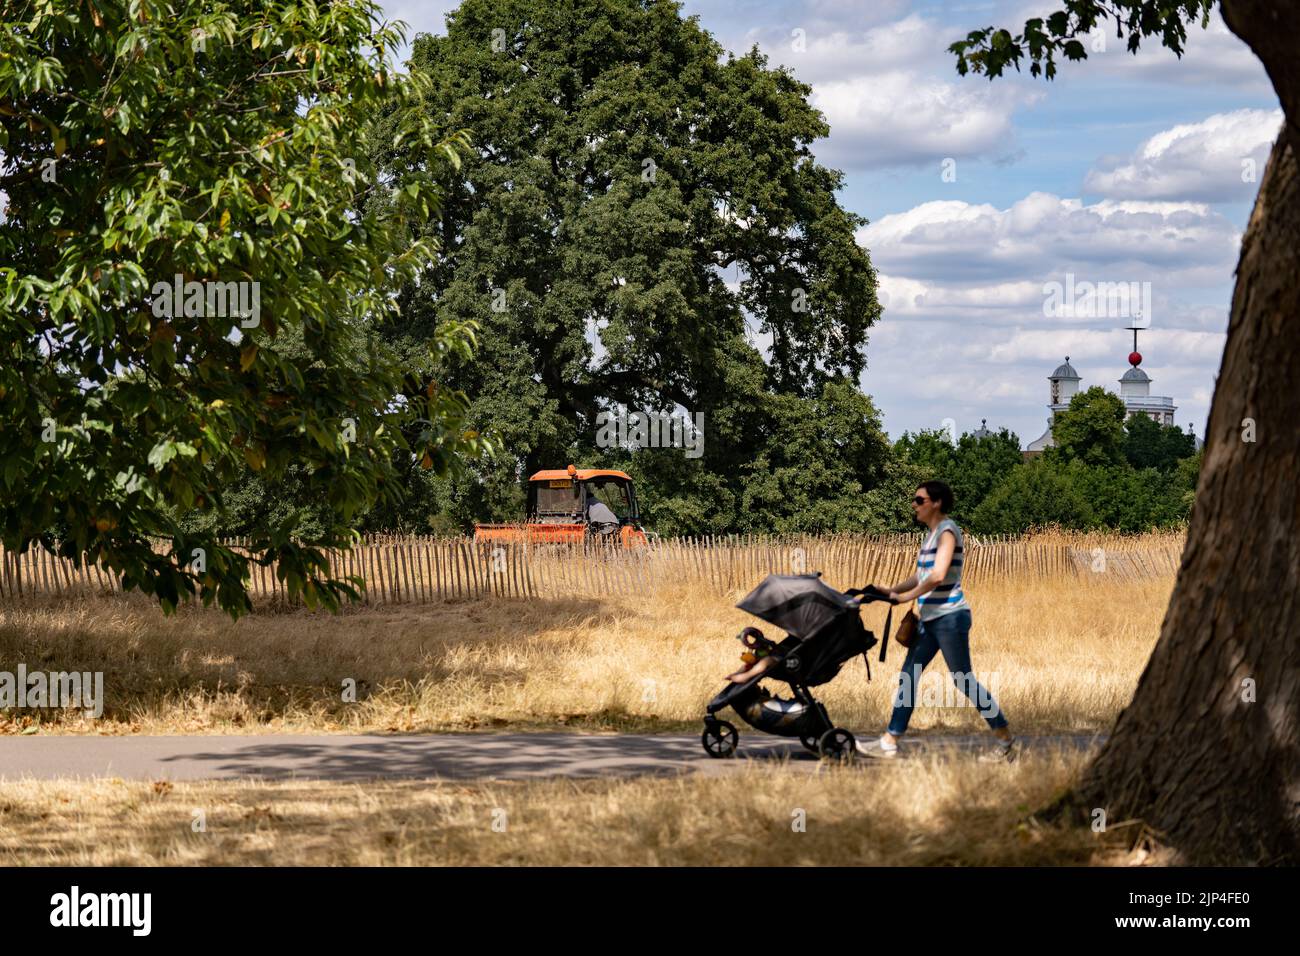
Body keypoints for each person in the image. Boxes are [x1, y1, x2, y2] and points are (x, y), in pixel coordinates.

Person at [861, 480, 1016, 761]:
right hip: (931, 619)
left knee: (963, 680)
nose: (914, 505)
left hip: (949, 617)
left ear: (937, 503)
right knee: (909, 675)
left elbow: (938, 575)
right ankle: (889, 742)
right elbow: (922, 575)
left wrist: (906, 598)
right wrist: (893, 590)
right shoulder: (931, 535)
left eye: (919, 500)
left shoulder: (947, 531)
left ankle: (1005, 743)